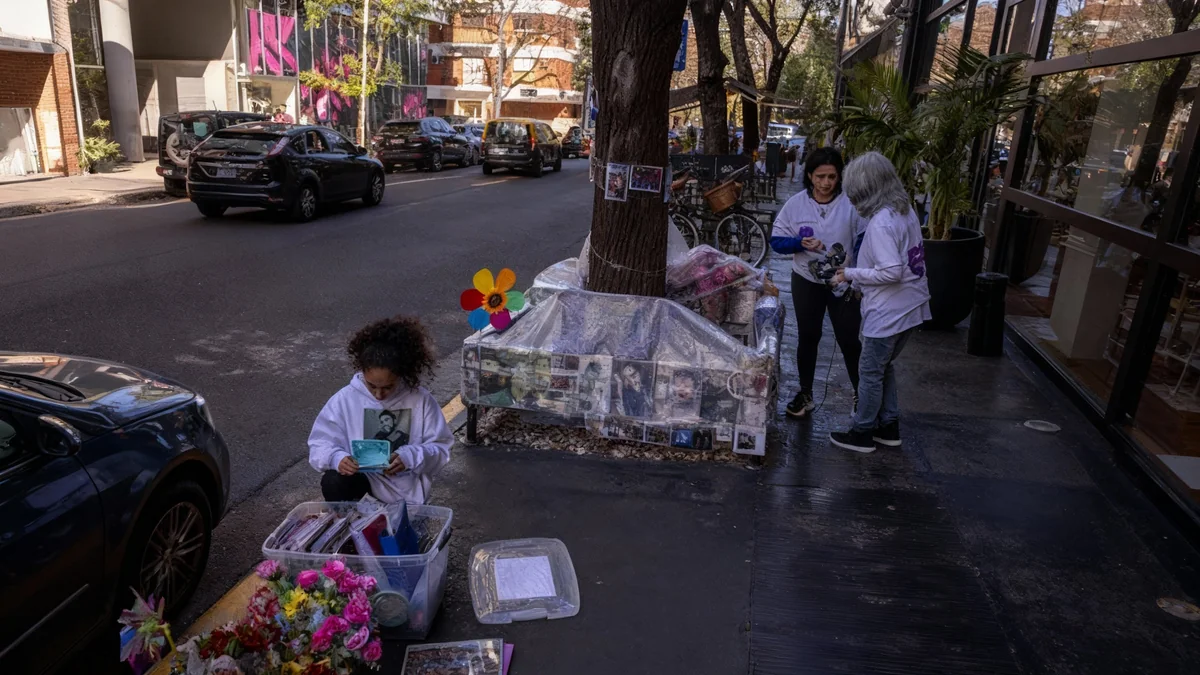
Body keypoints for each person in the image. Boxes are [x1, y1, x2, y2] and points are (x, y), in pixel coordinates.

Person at [828, 151, 931, 453]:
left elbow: (890, 271)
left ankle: (862, 432)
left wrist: (848, 274)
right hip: (912, 304)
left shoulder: (881, 223)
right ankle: (888, 425)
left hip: (889, 312)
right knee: (884, 367)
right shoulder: (904, 211)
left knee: (871, 371)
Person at [308, 316, 452, 503]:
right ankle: (350, 523)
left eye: (387, 387)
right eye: (371, 386)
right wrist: (336, 458)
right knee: (333, 481)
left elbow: (441, 450)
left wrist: (410, 457)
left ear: (402, 374)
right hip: (362, 483)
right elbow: (319, 444)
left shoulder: (421, 400)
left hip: (406, 493)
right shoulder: (345, 399)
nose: (378, 395)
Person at [770, 147, 866, 419]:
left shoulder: (851, 205)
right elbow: (776, 241)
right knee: (808, 336)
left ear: (840, 178)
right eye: (820, 176)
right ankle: (805, 393)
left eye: (832, 177)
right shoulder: (796, 204)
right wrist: (799, 243)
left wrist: (857, 274)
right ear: (810, 176)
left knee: (848, 338)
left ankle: (862, 395)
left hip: (843, 281)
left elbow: (863, 239)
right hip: (806, 280)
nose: (826, 183)